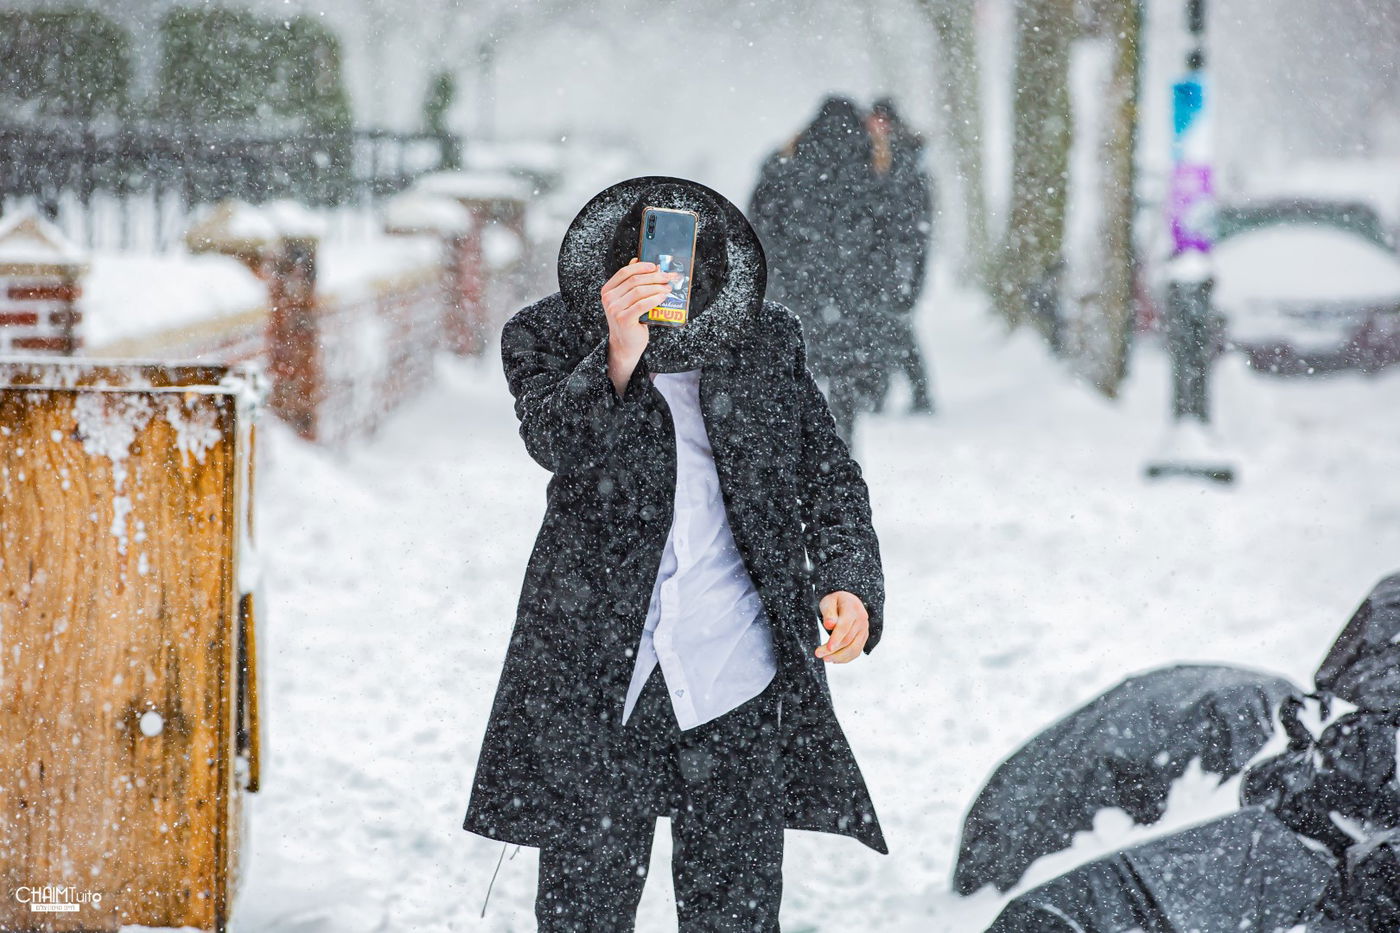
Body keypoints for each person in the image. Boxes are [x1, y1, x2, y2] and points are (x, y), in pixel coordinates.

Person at [462, 176, 888, 932]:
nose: (671, 277)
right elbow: (556, 443)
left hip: (735, 673)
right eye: (652, 260)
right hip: (598, 679)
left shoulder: (766, 342)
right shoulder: (548, 337)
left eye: (688, 261)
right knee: (582, 912)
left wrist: (849, 584)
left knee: (737, 914)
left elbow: (829, 478)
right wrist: (618, 353)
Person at [749, 95, 886, 449]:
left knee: (795, 379)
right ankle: (840, 460)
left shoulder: (785, 166)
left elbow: (758, 226)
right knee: (844, 390)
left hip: (796, 291)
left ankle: (797, 461)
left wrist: (775, 273)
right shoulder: (872, 170)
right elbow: (886, 237)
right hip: (850, 297)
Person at [867, 97, 936, 415]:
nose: (877, 128)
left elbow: (915, 216)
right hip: (877, 257)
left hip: (899, 257)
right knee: (883, 326)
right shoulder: (868, 157)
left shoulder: (907, 160)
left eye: (883, 121)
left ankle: (914, 393)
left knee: (896, 325)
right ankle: (885, 392)